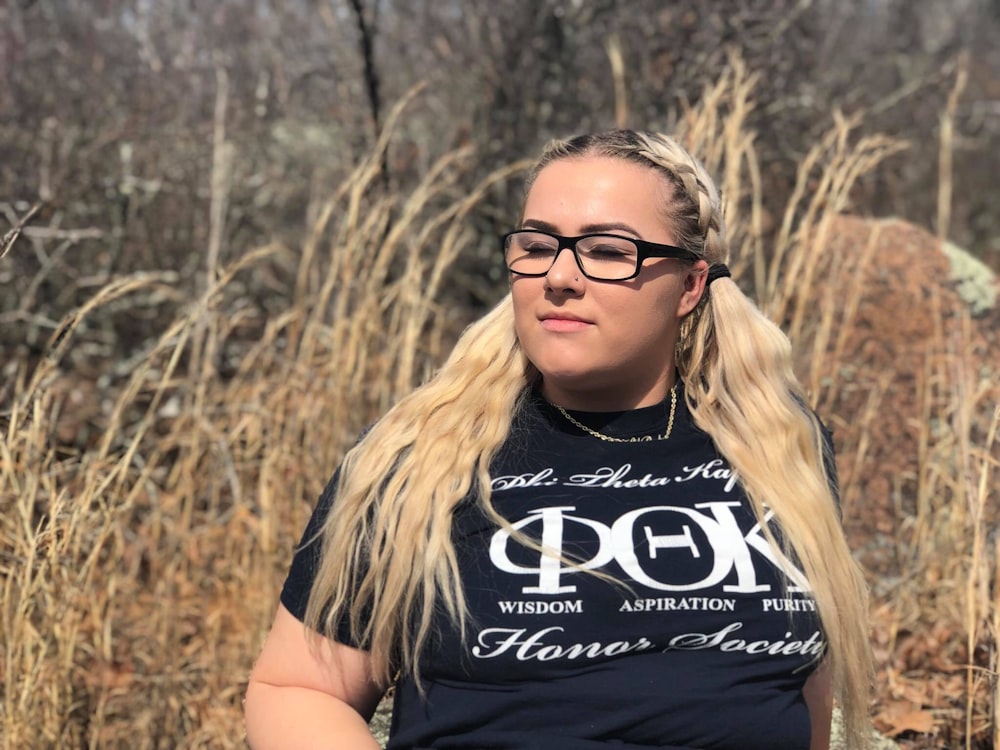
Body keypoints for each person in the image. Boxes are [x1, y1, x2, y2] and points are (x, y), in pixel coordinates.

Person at [244, 129, 873, 750]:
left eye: (605, 250)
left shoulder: (778, 442)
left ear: (689, 286)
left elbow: (797, 688)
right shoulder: (421, 456)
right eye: (538, 245)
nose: (559, 277)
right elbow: (300, 690)